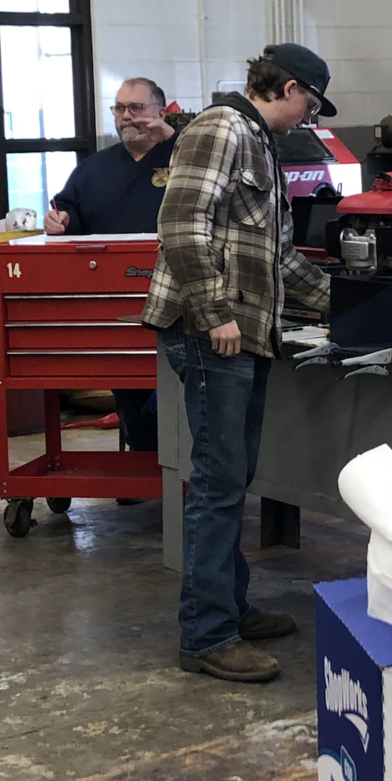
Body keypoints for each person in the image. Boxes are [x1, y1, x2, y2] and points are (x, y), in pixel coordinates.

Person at [142, 44, 336, 683]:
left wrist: (350, 303)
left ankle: (225, 604)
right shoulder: (221, 129)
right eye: (309, 102)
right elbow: (180, 222)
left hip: (240, 335)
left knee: (233, 476)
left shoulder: (258, 141)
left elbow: (277, 256)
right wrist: (216, 310)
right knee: (219, 481)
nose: (309, 116)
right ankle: (205, 636)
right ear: (286, 87)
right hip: (211, 333)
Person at [45, 77, 176, 454]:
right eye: (119, 109)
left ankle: (180, 467)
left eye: (136, 108)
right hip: (116, 305)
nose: (126, 118)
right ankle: (147, 460)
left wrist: (173, 138)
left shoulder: (186, 158)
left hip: (178, 296)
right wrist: (59, 222)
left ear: (160, 112)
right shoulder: (93, 170)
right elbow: (67, 212)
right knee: (131, 390)